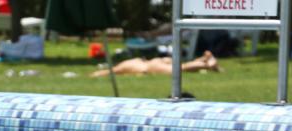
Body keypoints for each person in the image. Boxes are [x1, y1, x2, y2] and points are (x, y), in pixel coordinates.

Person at [90, 50, 221, 77]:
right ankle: (203, 59)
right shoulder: (133, 61)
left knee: (181, 68)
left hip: (150, 67)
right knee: (182, 66)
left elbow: (110, 72)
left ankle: (208, 64)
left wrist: (94, 74)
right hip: (153, 62)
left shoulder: (122, 66)